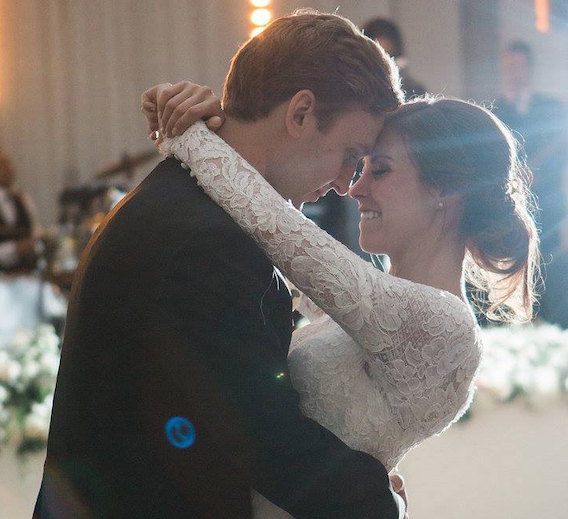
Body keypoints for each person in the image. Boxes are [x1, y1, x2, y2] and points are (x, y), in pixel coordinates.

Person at [34, 11, 408, 519]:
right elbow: (259, 434)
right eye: (351, 153)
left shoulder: (193, 195)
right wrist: (380, 503)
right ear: (299, 114)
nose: (347, 183)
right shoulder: (208, 240)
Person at [142, 78, 540, 518]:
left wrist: (190, 131)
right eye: (361, 165)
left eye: (381, 170)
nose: (355, 188)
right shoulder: (366, 303)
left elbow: (276, 225)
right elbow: (274, 232)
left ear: (446, 191)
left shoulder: (445, 324)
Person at [494, 40, 568, 257]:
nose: (513, 73)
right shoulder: (494, 111)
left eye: (518, 66)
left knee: (549, 269)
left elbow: (562, 151)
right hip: (507, 210)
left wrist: (537, 174)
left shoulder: (552, 109)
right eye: (508, 67)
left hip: (546, 204)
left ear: (529, 69)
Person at [0, 146, 40, 284]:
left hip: (26, 278)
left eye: (8, 163)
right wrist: (12, 249)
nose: (6, 169)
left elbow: (36, 233)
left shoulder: (23, 198)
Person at [363, 17, 426, 99]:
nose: (384, 67)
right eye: (378, 59)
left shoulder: (414, 91)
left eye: (390, 57)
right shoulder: (356, 94)